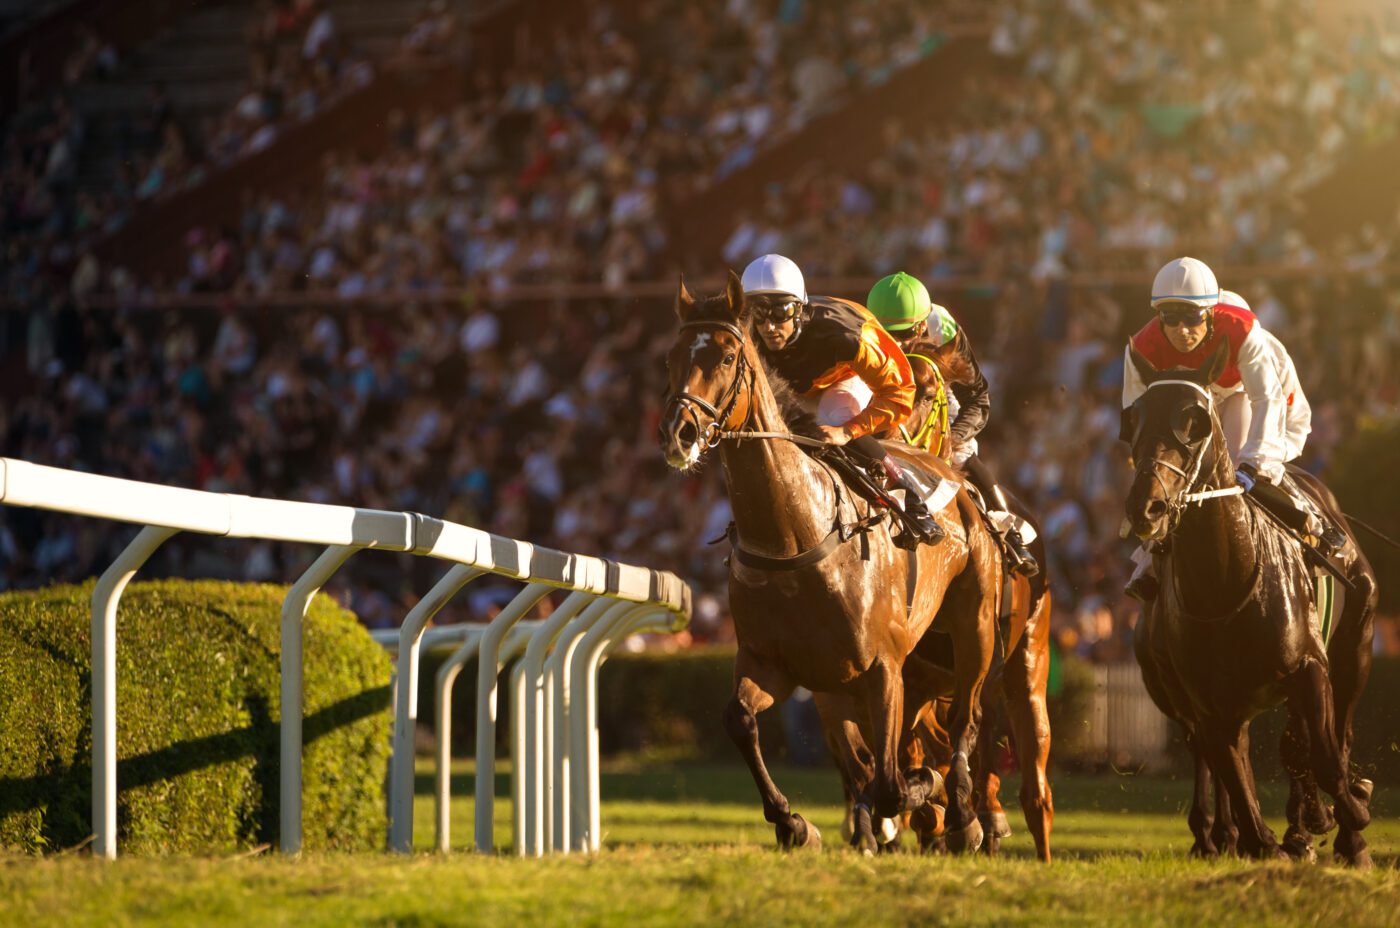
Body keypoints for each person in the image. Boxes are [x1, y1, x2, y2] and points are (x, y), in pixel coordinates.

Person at [1121, 256, 1345, 602]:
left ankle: (1314, 524)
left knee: (1243, 462)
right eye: (1171, 317)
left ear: (1209, 313)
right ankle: (1149, 559)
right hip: (1200, 398)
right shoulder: (1142, 348)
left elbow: (1266, 399)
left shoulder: (1244, 332)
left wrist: (1253, 465)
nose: (1182, 329)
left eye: (1192, 317)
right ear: (1158, 317)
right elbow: (1135, 417)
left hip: (1257, 394)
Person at [739, 254, 943, 546]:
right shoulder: (747, 333)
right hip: (797, 388)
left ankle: (911, 497)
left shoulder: (845, 334)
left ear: (799, 308)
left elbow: (900, 392)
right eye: (758, 313)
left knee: (831, 419)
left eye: (780, 312)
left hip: (845, 378)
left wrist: (847, 431)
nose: (769, 326)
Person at [866, 271, 1039, 576]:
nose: (897, 343)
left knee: (961, 454)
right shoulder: (863, 328)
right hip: (884, 394)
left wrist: (951, 438)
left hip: (934, 390)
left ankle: (1009, 533)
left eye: (905, 334)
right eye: (888, 333)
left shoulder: (942, 329)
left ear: (922, 326)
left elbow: (979, 398)